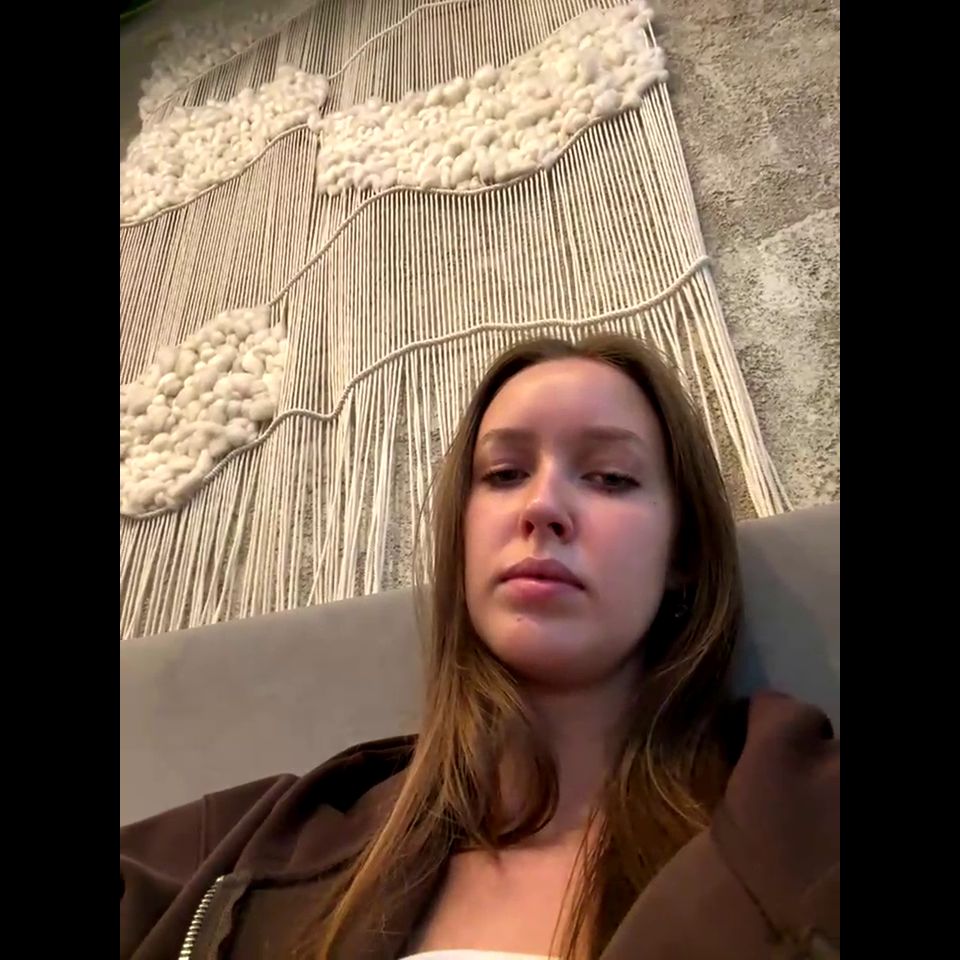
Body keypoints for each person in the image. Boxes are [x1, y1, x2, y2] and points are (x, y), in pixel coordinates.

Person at [120, 334, 840, 960]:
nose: (542, 505)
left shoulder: (802, 815)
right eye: (503, 474)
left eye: (610, 477)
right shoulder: (258, 838)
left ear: (682, 552)